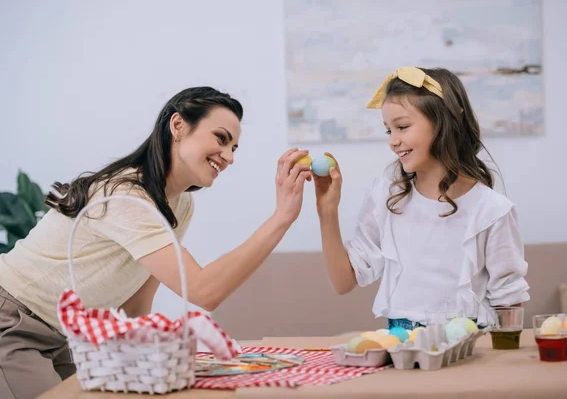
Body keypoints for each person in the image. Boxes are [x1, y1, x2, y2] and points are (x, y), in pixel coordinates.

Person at [0, 86, 312, 399]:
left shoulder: (179, 204)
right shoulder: (126, 196)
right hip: (14, 322)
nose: (229, 157)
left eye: (234, 147)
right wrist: (282, 217)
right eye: (221, 138)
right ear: (178, 126)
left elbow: (135, 304)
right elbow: (204, 291)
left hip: (62, 336)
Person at [313, 66, 530, 331]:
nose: (393, 141)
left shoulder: (492, 211)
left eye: (402, 126)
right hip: (402, 345)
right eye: (388, 130)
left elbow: (509, 303)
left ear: (445, 123)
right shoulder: (387, 198)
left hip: (471, 347)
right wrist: (327, 212)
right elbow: (342, 282)